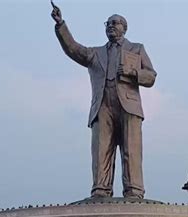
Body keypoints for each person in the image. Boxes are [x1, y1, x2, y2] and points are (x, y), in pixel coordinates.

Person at [51, 2, 157, 199]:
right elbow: (73, 49)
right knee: (101, 151)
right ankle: (101, 189)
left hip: (128, 105)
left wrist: (133, 72)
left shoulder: (136, 49)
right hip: (102, 104)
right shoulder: (95, 54)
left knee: (131, 151)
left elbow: (151, 76)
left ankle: (134, 190)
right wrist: (61, 25)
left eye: (115, 23)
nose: (111, 26)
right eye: (108, 23)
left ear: (124, 28)